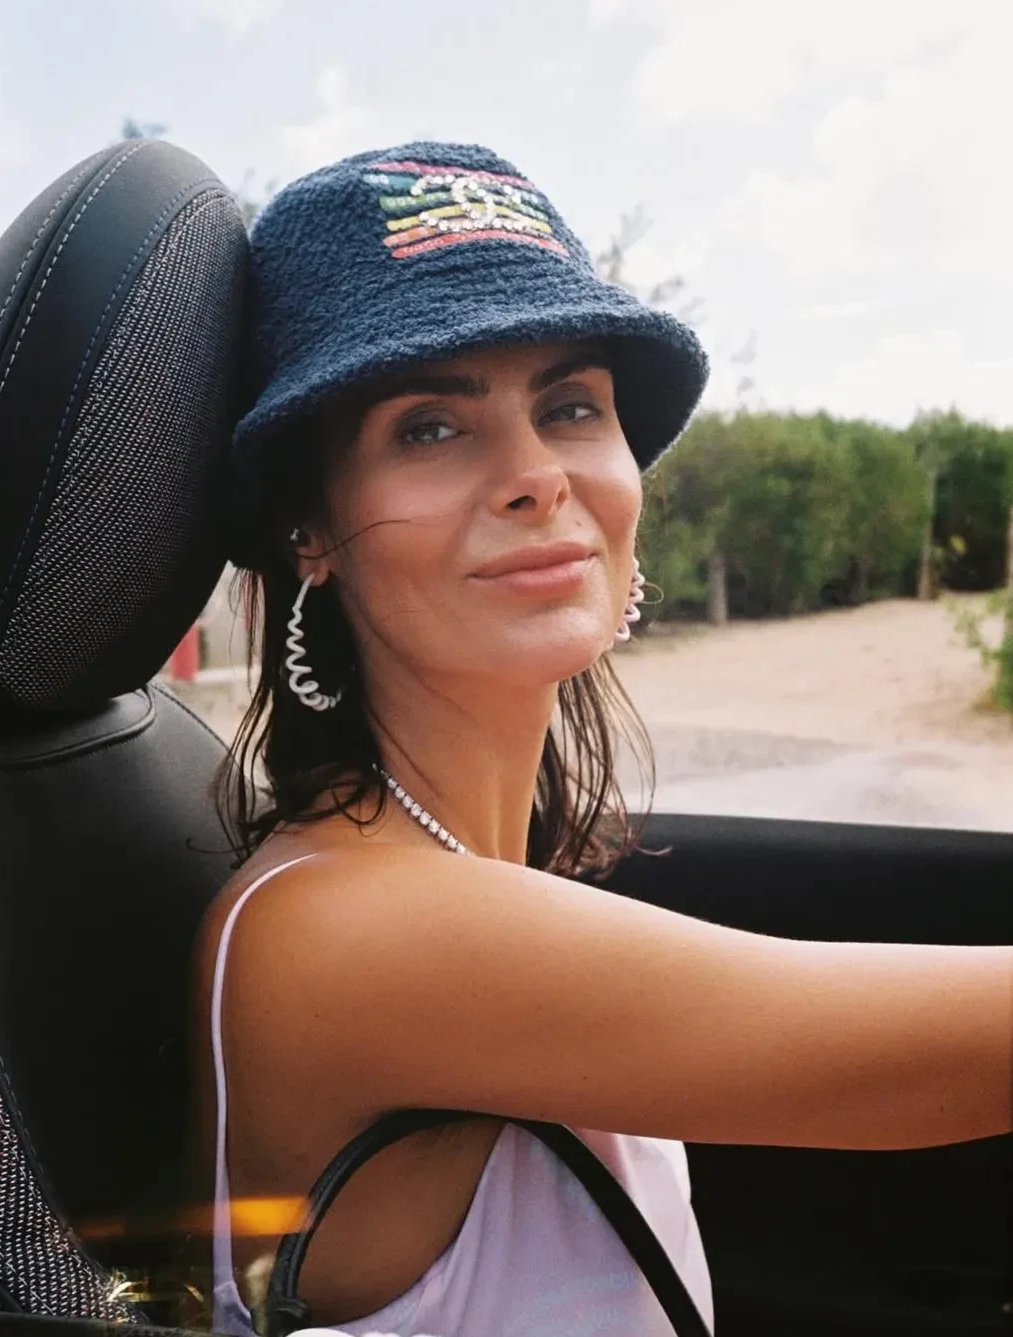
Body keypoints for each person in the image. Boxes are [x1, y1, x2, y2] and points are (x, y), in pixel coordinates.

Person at [193, 142, 1012, 1337]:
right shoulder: (340, 929)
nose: (535, 474)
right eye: (430, 426)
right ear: (309, 528)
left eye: (570, 406)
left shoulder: (467, 871)